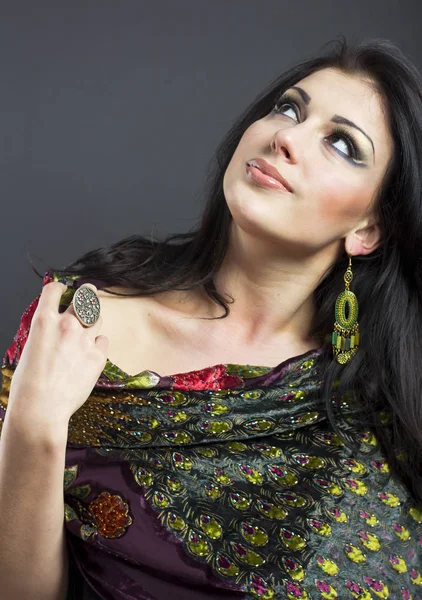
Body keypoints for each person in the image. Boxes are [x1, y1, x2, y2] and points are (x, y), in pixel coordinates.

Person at [1, 36, 422, 600]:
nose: (286, 137)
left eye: (342, 144)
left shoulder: (377, 396)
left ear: (367, 230)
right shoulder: (82, 319)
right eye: (288, 108)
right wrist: (33, 431)